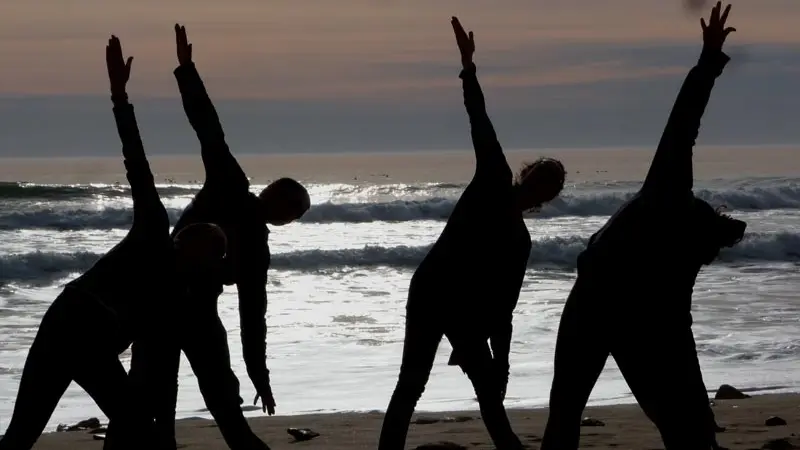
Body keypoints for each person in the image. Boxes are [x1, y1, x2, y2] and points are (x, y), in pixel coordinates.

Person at [0, 36, 227, 450]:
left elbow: (163, 371)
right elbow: (137, 164)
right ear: (185, 242)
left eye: (216, 256)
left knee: (137, 425)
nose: (212, 261)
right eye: (209, 249)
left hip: (93, 347)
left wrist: (169, 432)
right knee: (22, 433)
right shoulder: (153, 230)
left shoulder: (177, 296)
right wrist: (119, 97)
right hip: (67, 324)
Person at [540, 3, 746, 450]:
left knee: (567, 413)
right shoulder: (680, 238)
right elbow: (680, 341)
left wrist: (709, 62)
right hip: (616, 313)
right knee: (678, 425)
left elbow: (682, 127)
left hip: (596, 305)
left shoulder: (668, 201)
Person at [377, 17, 567, 450]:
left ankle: (510, 447)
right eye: (542, 174)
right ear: (527, 174)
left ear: (548, 197)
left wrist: (502, 362)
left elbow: (505, 306)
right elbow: (479, 119)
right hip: (430, 292)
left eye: (551, 184)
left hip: (465, 312)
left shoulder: (521, 240)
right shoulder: (493, 179)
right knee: (411, 384)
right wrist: (468, 67)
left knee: (489, 390)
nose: (543, 184)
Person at [141, 24, 311, 450]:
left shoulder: (257, 250)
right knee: (158, 407)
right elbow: (209, 130)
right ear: (269, 192)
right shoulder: (230, 185)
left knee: (224, 408)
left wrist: (260, 374)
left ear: (287, 220)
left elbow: (254, 317)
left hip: (197, 312)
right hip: (161, 301)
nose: (280, 213)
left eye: (289, 212)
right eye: (282, 202)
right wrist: (186, 71)